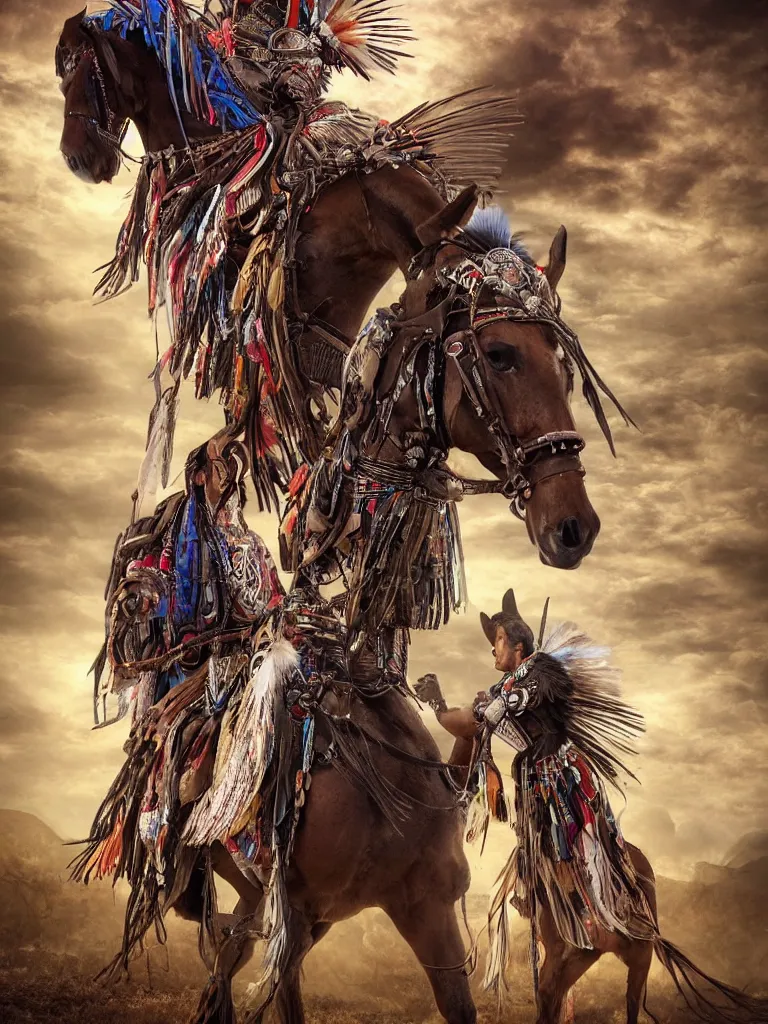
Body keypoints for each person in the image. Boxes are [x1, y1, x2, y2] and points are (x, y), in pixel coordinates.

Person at [415, 588, 655, 993]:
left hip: (564, 779)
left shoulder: (542, 669)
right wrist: (437, 703)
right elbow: (469, 724)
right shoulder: (504, 687)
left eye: (498, 642)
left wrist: (504, 701)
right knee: (536, 854)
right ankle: (552, 915)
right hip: (535, 787)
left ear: (518, 643)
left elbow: (521, 698)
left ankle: (611, 910)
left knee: (585, 845)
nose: (493, 652)